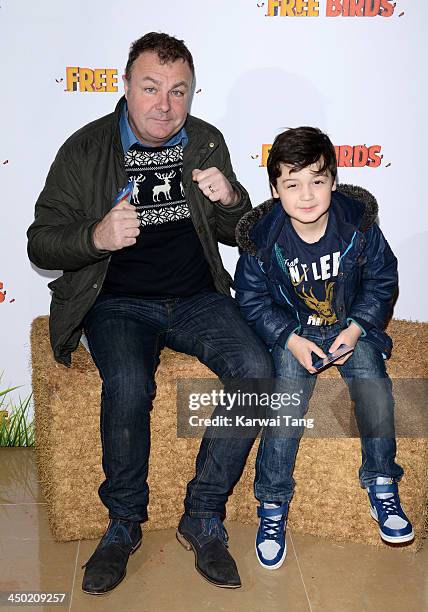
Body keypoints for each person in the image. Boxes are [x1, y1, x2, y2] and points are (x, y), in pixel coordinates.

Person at [27, 32, 273, 593]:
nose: (164, 104)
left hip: (197, 297)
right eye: (151, 88)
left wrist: (232, 200)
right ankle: (122, 523)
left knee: (257, 372)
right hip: (116, 303)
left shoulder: (205, 141)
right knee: (130, 383)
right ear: (126, 87)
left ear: (192, 93)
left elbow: (242, 233)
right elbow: (40, 242)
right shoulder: (86, 149)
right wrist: (96, 235)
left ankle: (203, 514)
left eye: (178, 90)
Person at [234, 126, 414, 570]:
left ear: (333, 179)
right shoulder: (262, 243)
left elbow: (381, 279)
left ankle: (382, 486)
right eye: (292, 184)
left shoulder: (358, 225)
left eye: (317, 180)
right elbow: (251, 300)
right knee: (286, 407)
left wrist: (356, 330)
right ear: (275, 190)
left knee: (374, 386)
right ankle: (272, 505)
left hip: (350, 327)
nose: (307, 195)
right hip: (294, 333)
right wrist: (289, 339)